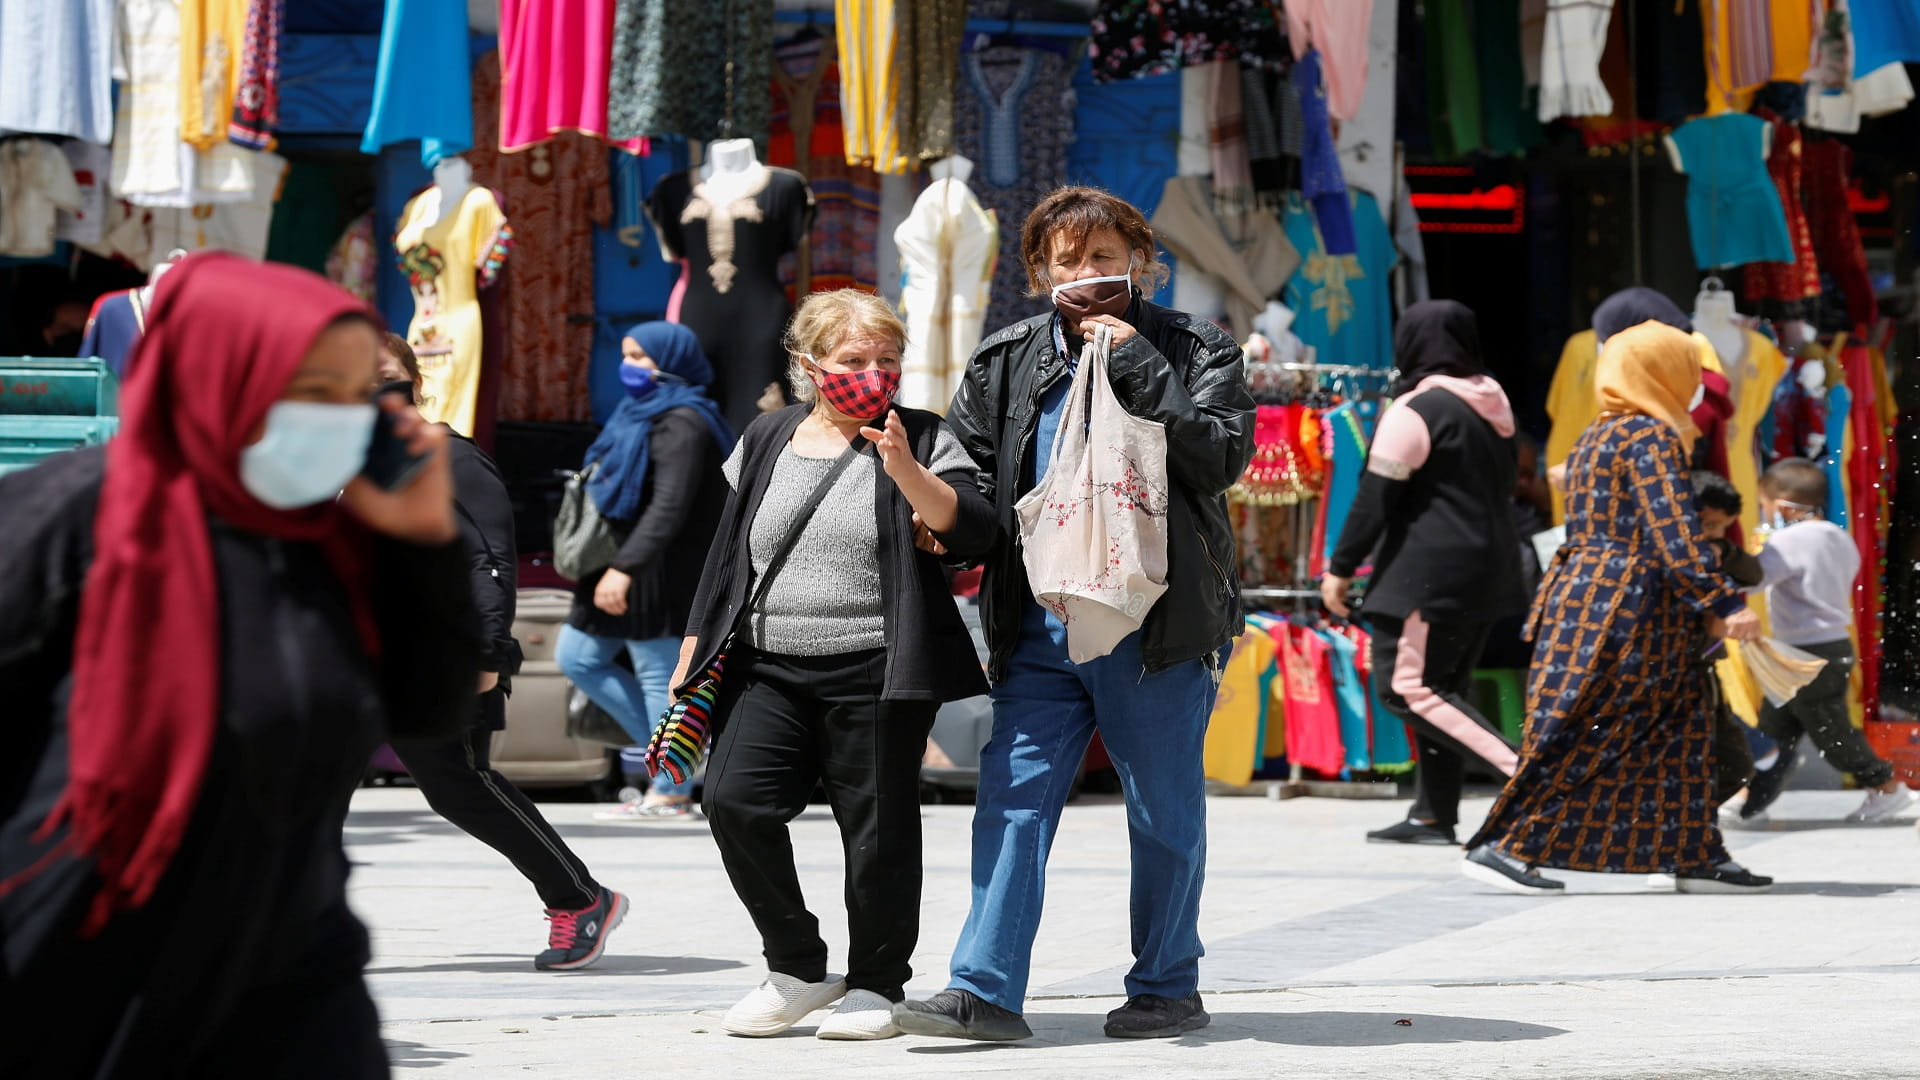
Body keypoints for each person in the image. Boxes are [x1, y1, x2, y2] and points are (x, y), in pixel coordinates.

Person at [0, 253, 479, 1077]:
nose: (346, 420)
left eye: (357, 395)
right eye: (314, 392)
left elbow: (427, 711)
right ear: (221, 375)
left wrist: (424, 543)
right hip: (79, 974)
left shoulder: (323, 545)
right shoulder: (63, 523)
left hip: (291, 970)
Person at [895, 187, 1254, 1042]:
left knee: (1163, 811)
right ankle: (983, 989)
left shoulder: (1197, 347)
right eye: (1067, 261)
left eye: (1102, 257)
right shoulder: (1004, 358)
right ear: (1037, 274)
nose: (1086, 274)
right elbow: (975, 482)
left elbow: (1218, 459)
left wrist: (1138, 369)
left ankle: (1167, 985)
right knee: (1010, 801)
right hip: (1039, 624)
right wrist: (941, 518)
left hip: (1156, 625)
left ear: (1140, 259)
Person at [677, 289, 997, 1041]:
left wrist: (906, 470)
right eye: (854, 360)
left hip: (879, 666)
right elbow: (729, 552)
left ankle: (878, 984)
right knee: (732, 802)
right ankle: (795, 965)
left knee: (877, 832)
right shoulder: (767, 436)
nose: (873, 374)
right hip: (767, 664)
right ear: (809, 363)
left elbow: (974, 530)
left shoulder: (920, 433)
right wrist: (695, 645)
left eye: (887, 360)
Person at [1463, 319, 1770, 896]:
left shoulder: (1596, 435)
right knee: (1591, 730)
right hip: (1629, 611)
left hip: (1595, 601)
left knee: (1678, 732)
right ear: (1661, 373)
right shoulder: (1651, 439)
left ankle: (1693, 851)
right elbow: (1673, 533)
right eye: (1686, 367)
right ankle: (1502, 844)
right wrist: (1723, 599)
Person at [372, 333, 629, 970]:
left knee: (461, 785)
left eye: (384, 377)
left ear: (414, 382)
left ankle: (580, 898)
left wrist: (487, 653)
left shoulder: (449, 458)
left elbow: (488, 560)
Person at [1322, 300, 1530, 848]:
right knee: (1443, 688)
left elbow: (1375, 498)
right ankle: (1433, 814)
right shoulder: (1494, 404)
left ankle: (1531, 778)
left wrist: (1339, 569)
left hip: (1428, 576)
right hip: (1490, 570)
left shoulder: (1417, 410)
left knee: (1407, 688)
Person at [555, 323, 733, 820]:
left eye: (641, 356)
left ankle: (671, 789)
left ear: (671, 360)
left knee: (659, 675)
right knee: (577, 657)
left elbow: (670, 506)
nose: (628, 364)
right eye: (627, 353)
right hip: (618, 562)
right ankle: (678, 760)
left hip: (655, 568)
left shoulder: (684, 422)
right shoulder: (637, 413)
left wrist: (626, 569)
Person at [1738, 458, 1915, 823]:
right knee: (1776, 730)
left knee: (1830, 731)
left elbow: (1754, 580)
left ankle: (1885, 786)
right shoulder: (1839, 536)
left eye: (1765, 506)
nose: (1765, 513)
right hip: (1832, 643)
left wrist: (1755, 552)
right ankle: (1750, 801)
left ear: (1783, 506)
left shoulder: (1784, 541)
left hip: (1804, 650)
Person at [1690, 470, 1768, 810]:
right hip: (1676, 670)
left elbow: (1754, 574)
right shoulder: (1667, 560)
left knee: (1736, 767)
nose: (1714, 534)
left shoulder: (1717, 550)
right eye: (1707, 525)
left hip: (1706, 669)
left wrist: (1722, 547)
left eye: (1722, 527)